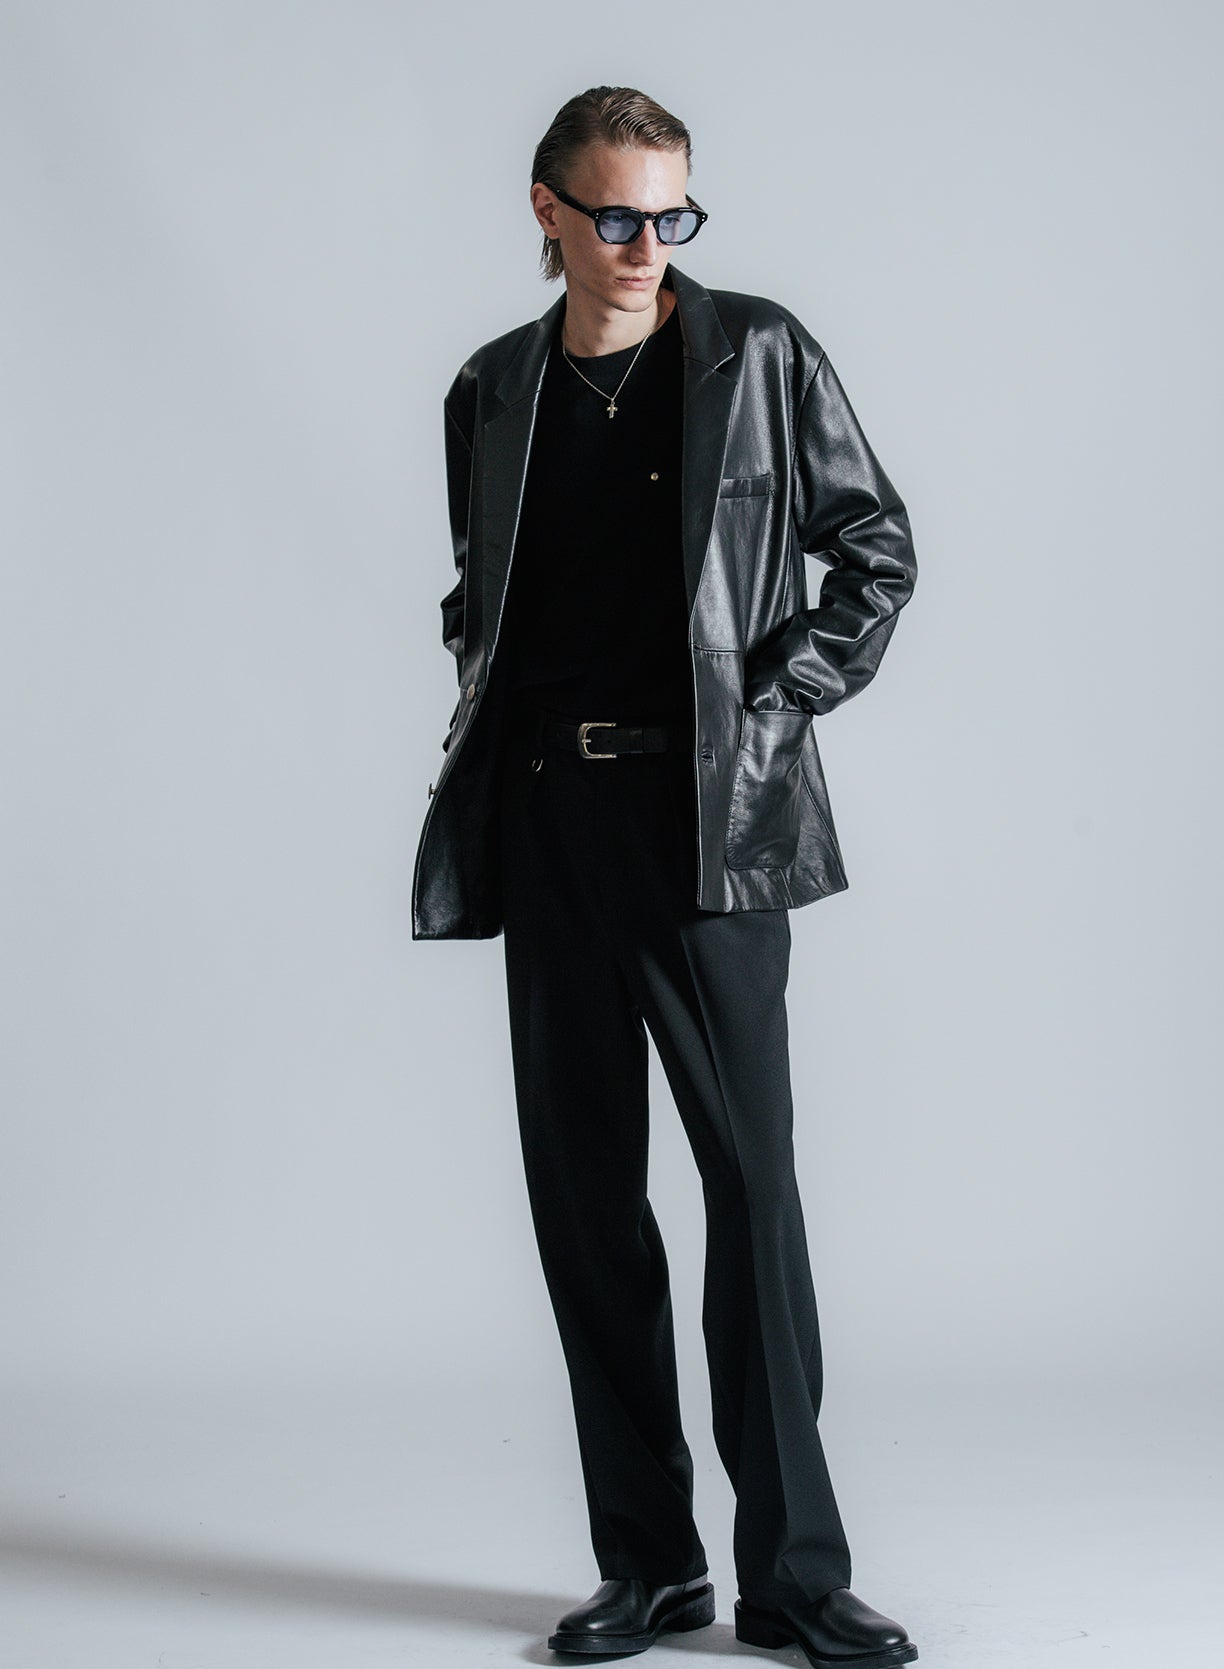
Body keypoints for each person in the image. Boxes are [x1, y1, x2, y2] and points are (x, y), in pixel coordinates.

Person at [412, 85, 920, 1669]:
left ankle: (796, 1574)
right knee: (584, 1202)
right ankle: (647, 1563)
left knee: (750, 1195)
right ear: (549, 211)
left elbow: (876, 548)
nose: (646, 246)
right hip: (550, 821)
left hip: (712, 828)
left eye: (672, 215)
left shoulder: (756, 352)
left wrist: (776, 696)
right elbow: (482, 593)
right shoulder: (490, 389)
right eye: (619, 215)